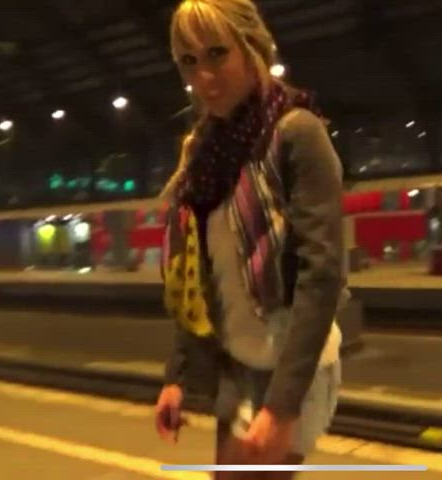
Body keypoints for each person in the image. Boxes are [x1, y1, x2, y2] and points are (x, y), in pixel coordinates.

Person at [154, 0, 347, 478]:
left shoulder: (295, 133)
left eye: (217, 54)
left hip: (289, 366)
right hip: (236, 362)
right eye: (189, 62)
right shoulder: (203, 151)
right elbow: (198, 275)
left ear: (252, 46)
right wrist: (177, 377)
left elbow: (321, 274)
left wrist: (283, 406)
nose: (204, 77)